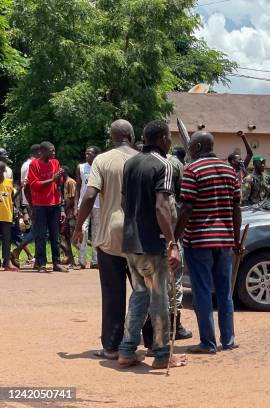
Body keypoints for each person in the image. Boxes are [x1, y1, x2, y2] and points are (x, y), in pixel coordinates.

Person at [72, 119, 154, 360]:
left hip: (110, 234)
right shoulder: (144, 159)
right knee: (146, 290)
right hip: (139, 234)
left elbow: (89, 195)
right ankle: (151, 342)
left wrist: (78, 228)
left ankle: (111, 345)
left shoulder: (102, 160)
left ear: (112, 137)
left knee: (112, 293)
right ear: (131, 135)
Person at [118, 120, 186, 369]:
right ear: (163, 139)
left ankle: (126, 349)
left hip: (130, 242)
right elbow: (162, 206)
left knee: (139, 295)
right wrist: (172, 243)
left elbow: (124, 203)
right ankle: (161, 355)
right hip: (152, 244)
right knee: (159, 298)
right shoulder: (165, 165)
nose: (170, 142)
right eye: (169, 138)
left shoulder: (130, 163)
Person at [174, 130, 242, 354]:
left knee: (202, 291)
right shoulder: (230, 171)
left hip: (199, 240)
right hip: (224, 240)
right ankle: (228, 340)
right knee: (224, 292)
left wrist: (174, 238)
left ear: (199, 147)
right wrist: (236, 239)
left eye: (192, 147)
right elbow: (236, 209)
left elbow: (186, 207)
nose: (190, 150)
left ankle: (208, 343)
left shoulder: (192, 170)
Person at [166, 146, 193, 340]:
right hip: (172, 233)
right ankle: (175, 326)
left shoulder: (152, 163)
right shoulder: (180, 167)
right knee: (174, 279)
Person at [27, 141, 66, 273]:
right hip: (40, 205)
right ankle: (41, 263)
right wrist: (52, 179)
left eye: (54, 151)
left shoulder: (55, 163)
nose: (54, 153)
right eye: (51, 151)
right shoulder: (34, 164)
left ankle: (56, 262)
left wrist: (59, 178)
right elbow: (34, 185)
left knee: (55, 235)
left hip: (54, 203)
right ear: (42, 152)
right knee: (41, 235)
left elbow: (58, 185)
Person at [75, 146, 101, 269]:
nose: (87, 156)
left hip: (98, 204)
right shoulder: (81, 167)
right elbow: (78, 186)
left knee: (96, 233)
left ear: (96, 155)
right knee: (83, 230)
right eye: (86, 153)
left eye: (89, 153)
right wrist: (76, 204)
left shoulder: (101, 167)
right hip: (84, 204)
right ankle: (81, 260)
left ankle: (95, 260)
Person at [0, 162, 18, 271]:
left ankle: (7, 262)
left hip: (6, 214)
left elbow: (12, 198)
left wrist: (16, 211)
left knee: (7, 239)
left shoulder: (9, 182)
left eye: (2, 171)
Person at [60, 166, 77, 267]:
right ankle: (71, 260)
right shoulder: (65, 182)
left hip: (71, 214)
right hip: (68, 213)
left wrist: (63, 210)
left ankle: (75, 260)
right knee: (66, 236)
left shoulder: (70, 182)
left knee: (73, 237)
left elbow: (71, 199)